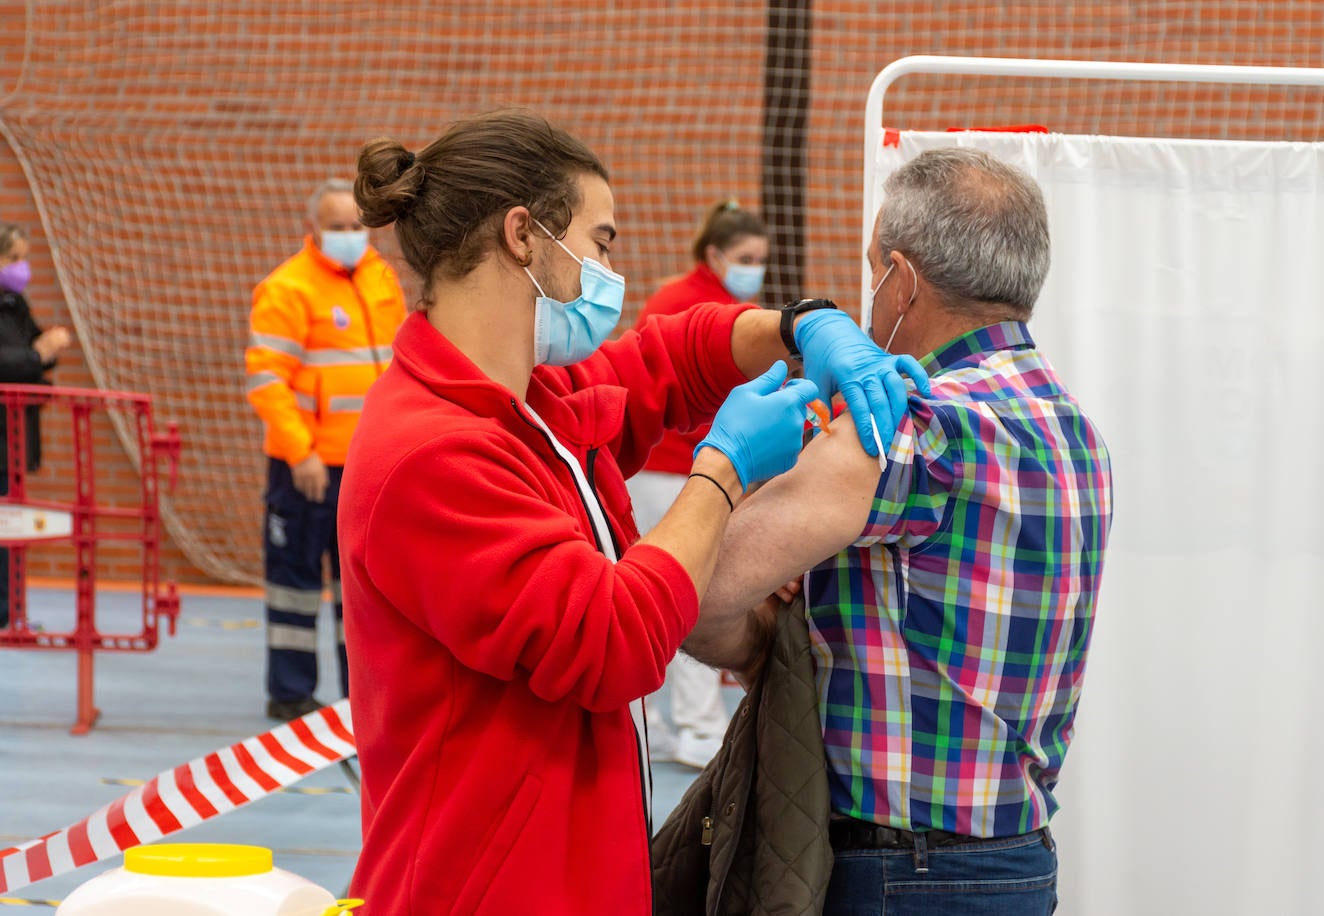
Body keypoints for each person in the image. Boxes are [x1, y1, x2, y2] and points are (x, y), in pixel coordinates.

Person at [335, 109, 926, 915]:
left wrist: (799, 326)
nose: (609, 268)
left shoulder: (530, 399)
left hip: (571, 869)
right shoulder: (430, 455)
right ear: (523, 235)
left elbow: (666, 359)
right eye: (600, 241)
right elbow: (612, 641)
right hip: (486, 887)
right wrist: (721, 472)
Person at [691, 147, 1114, 914]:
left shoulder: (915, 423)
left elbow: (694, 589)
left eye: (872, 270)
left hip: (903, 872)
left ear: (902, 279)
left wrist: (734, 471)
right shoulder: (1073, 429)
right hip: (1016, 862)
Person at [244, 179, 406, 721]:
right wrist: (300, 453)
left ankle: (360, 696)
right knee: (294, 580)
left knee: (362, 586)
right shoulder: (287, 289)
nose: (349, 236)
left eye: (357, 226)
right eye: (337, 227)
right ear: (312, 228)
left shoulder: (383, 278)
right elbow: (266, 381)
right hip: (308, 466)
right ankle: (290, 694)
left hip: (371, 463)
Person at [628, 198, 769, 769]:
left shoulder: (721, 303)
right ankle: (695, 727)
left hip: (676, 470)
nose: (754, 266)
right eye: (745, 257)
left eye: (761, 258)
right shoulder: (689, 305)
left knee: (662, 594)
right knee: (688, 593)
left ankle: (665, 722)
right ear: (714, 253)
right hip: (670, 471)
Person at [0, 224, 73, 629]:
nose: (21, 268)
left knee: (12, 530)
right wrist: (35, 355)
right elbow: (14, 359)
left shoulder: (15, 303)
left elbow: (31, 351)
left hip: (14, 437)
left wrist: (48, 348)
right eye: (13, 258)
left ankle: (12, 612)